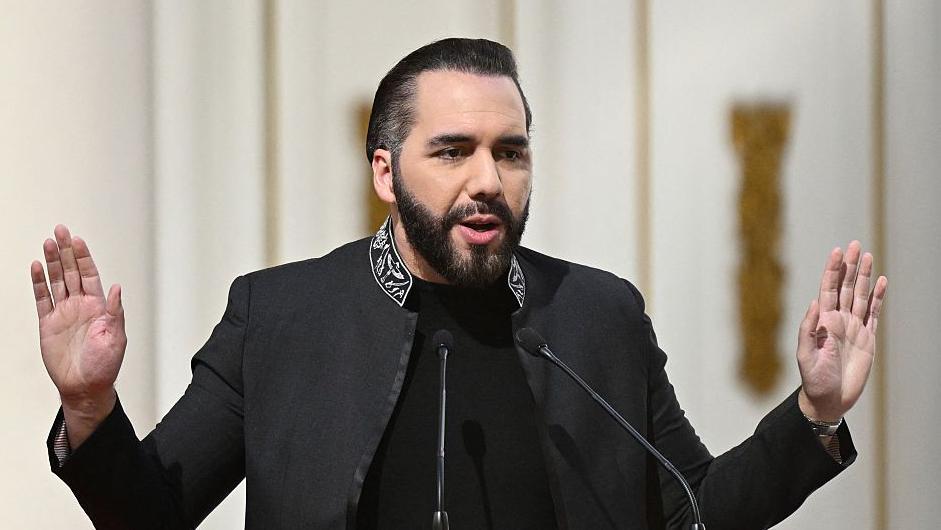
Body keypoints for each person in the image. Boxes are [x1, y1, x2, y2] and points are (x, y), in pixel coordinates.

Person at [30, 38, 887, 530]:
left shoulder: (595, 314)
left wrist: (813, 413)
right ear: (383, 170)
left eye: (510, 152)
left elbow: (693, 514)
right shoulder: (279, 316)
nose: (488, 179)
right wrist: (91, 411)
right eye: (452, 151)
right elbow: (152, 514)